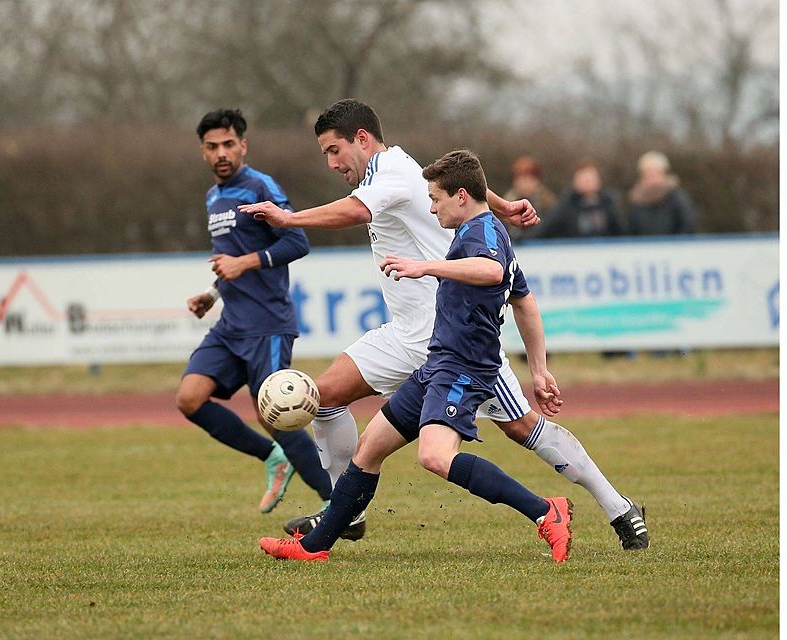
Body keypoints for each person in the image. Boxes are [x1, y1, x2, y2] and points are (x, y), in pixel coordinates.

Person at [240, 99, 648, 551]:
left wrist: (288, 218)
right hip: (405, 332)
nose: (333, 163)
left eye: (333, 151)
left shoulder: (389, 175)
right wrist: (503, 202)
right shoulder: (398, 166)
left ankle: (618, 507)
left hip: (454, 337)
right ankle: (345, 509)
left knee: (522, 429)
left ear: (361, 139)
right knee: (324, 397)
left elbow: (356, 211)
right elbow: (454, 184)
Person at [259, 150, 573, 562]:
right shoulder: (472, 229)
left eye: (436, 198)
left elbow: (492, 272)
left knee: (434, 456)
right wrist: (540, 369)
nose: (430, 207)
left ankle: (545, 511)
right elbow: (524, 302)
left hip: (464, 368)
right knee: (369, 448)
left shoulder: (484, 234)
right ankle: (314, 548)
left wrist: (426, 267)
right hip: (438, 362)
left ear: (460, 196)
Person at [176, 108, 331, 514]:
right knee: (190, 398)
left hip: (268, 325)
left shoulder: (260, 187)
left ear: (243, 145)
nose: (222, 153)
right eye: (213, 147)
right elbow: (230, 259)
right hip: (231, 324)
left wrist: (244, 264)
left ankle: (339, 505)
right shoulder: (214, 197)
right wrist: (214, 292)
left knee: (277, 415)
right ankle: (272, 457)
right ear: (203, 152)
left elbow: (297, 243)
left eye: (229, 144)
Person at [536, 160, 623, 239]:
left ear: (598, 181)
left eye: (590, 179)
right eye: (583, 179)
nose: (587, 183)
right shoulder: (566, 207)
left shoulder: (609, 205)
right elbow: (545, 228)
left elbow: (622, 232)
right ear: (575, 182)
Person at [626, 151, 697, 236]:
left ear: (664, 173)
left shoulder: (677, 197)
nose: (652, 177)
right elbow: (631, 229)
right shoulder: (636, 199)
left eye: (655, 173)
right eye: (648, 173)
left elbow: (687, 224)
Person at [503, 156, 558, 244]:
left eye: (529, 178)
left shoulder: (548, 203)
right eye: (520, 179)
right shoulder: (505, 204)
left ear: (537, 180)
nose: (524, 183)